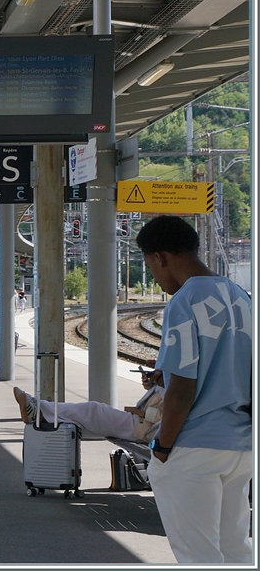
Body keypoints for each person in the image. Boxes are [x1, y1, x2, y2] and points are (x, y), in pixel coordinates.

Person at [138, 215, 251, 565]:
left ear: (159, 257)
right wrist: (166, 376)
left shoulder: (185, 300)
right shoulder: (240, 296)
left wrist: (163, 447)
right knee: (235, 550)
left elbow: (183, 390)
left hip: (194, 446)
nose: (155, 276)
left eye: (150, 266)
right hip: (240, 446)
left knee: (198, 556)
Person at [13, 369, 165, 441]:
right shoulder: (177, 380)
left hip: (144, 426)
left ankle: (39, 411)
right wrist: (152, 384)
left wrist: (141, 413)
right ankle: (40, 410)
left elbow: (168, 417)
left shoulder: (181, 388)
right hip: (139, 422)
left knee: (93, 410)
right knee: (88, 415)